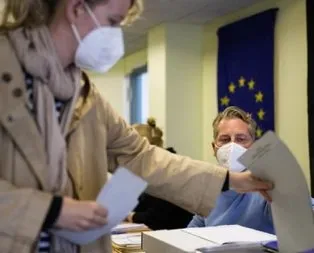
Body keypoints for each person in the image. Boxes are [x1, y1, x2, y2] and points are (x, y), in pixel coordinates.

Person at [0, 1, 273, 253]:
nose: (114, 37)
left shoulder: (86, 96)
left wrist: (233, 180)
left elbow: (142, 156)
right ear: (77, 7)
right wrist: (52, 210)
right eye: (113, 21)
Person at [188, 106, 274, 234]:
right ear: (214, 148)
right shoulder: (211, 188)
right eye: (225, 140)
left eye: (241, 139)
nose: (232, 146)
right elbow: (191, 233)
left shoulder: (265, 182)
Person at [125, 118, 193, 230]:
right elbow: (138, 207)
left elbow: (154, 218)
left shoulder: (170, 171)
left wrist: (130, 215)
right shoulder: (149, 171)